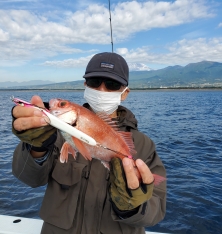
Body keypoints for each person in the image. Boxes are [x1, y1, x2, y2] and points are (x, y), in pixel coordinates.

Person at [12, 52, 166, 234]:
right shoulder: (55, 133)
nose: (101, 90)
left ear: (124, 93)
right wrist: (36, 146)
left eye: (112, 85)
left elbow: (156, 212)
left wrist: (131, 206)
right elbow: (28, 178)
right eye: (94, 82)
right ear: (85, 85)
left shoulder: (144, 145)